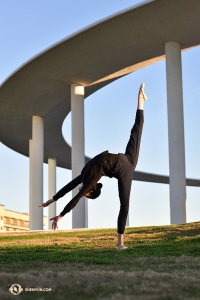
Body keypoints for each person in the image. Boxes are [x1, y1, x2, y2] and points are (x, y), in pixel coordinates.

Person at [39, 83, 147, 250]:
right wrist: (52, 200)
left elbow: (74, 198)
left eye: (86, 195)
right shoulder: (86, 174)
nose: (83, 192)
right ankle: (141, 101)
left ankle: (120, 243)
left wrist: (60, 214)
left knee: (124, 205)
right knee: (136, 131)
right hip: (123, 158)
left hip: (124, 168)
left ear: (90, 191)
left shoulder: (89, 181)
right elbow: (71, 186)